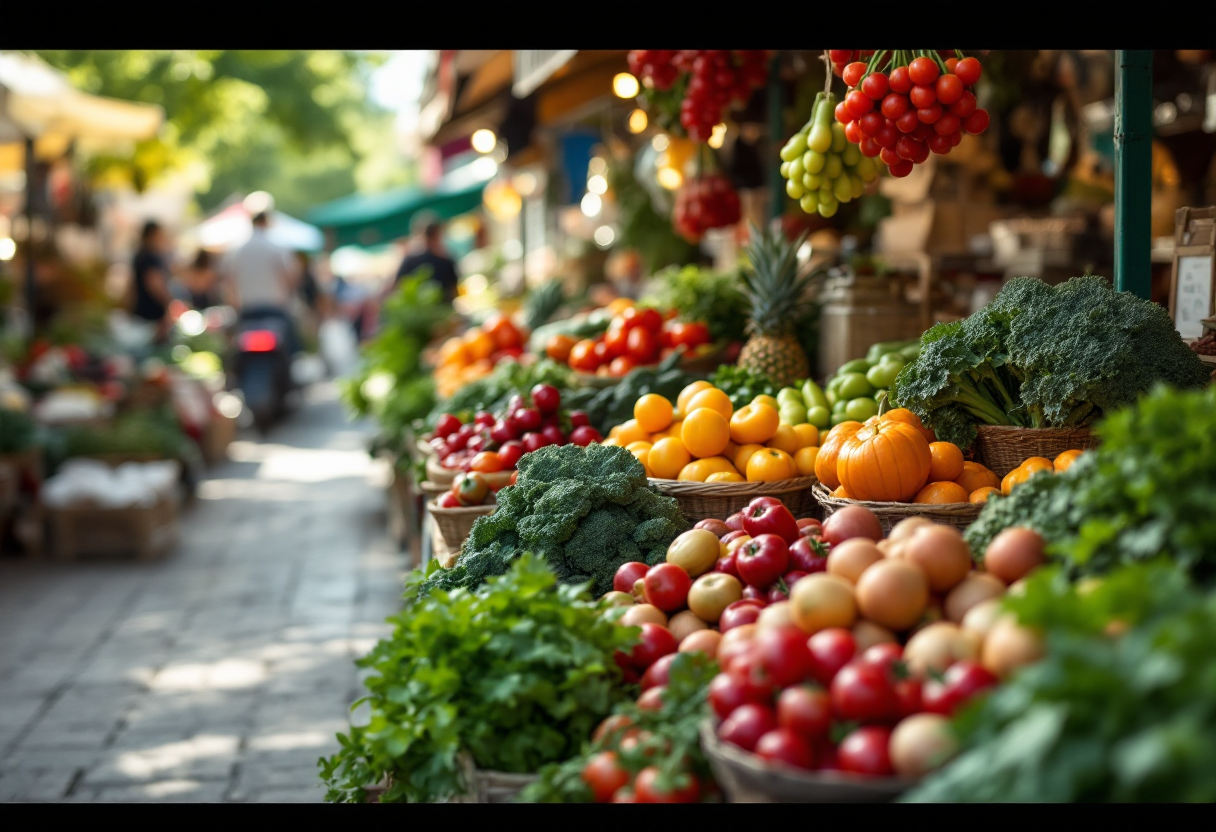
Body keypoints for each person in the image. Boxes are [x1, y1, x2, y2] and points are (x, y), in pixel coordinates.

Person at [218, 209, 301, 352]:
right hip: (274, 309)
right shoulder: (277, 247)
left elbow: (228, 283)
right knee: (292, 349)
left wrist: (234, 304)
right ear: (266, 222)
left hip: (247, 310)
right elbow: (290, 278)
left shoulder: (237, 250)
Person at [393, 213, 459, 303]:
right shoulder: (446, 261)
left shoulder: (410, 260)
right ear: (438, 234)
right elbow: (454, 290)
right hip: (442, 311)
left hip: (417, 313)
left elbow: (398, 287)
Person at [131, 220, 173, 337]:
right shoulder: (150, 256)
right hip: (151, 313)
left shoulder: (140, 255)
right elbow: (154, 284)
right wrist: (168, 302)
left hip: (142, 311)